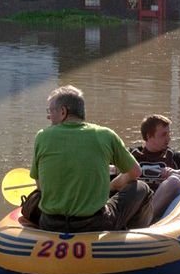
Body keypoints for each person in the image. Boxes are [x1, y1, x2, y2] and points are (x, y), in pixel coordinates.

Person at [29, 85, 153, 233]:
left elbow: (40, 187)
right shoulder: (105, 135)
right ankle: (134, 236)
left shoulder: (42, 136)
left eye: (50, 111)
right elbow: (135, 172)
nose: (48, 116)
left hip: (50, 224)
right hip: (94, 224)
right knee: (141, 187)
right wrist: (113, 185)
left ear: (63, 111)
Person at [128, 115, 180, 220]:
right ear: (149, 136)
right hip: (131, 205)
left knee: (174, 181)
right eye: (164, 135)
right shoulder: (130, 155)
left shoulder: (172, 157)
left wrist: (175, 172)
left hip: (155, 209)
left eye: (168, 134)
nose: (168, 139)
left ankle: (146, 219)